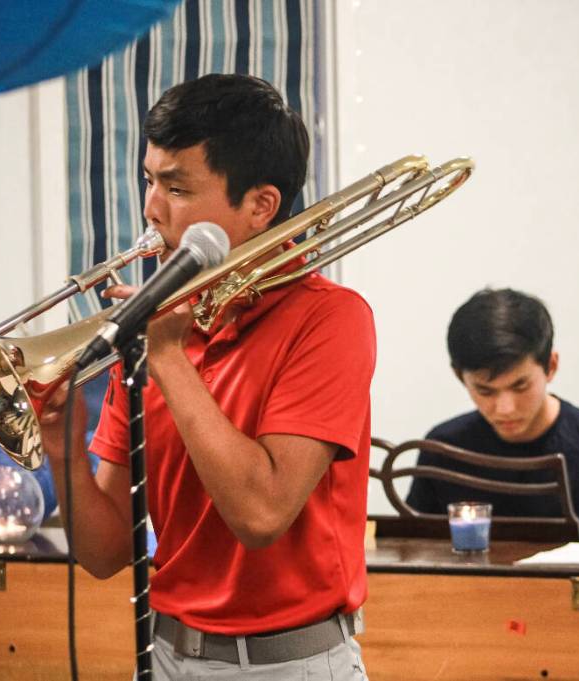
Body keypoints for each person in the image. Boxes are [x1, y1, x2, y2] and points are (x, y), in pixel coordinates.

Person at [38, 74, 376, 680]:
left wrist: (166, 357)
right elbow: (105, 551)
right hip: (167, 655)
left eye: (177, 187)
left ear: (260, 206)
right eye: (149, 179)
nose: (150, 207)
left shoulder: (331, 320)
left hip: (291, 664)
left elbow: (261, 515)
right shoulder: (154, 329)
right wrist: (63, 448)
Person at [405, 288, 579, 545]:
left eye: (520, 386)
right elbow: (411, 554)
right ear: (459, 376)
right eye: (485, 390)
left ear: (551, 366)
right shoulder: (443, 450)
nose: (505, 408)